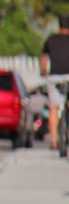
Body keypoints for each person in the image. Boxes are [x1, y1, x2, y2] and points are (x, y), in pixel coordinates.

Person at [39, 15, 69, 149]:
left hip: (54, 77)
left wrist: (43, 71)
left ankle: (54, 141)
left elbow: (44, 58)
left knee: (53, 108)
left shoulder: (51, 40)